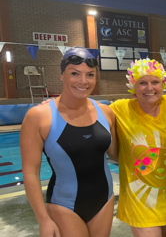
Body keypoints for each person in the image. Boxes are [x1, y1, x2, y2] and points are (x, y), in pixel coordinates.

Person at [20, 47, 117, 237]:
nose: (83, 81)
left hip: (104, 201)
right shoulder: (39, 116)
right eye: (75, 73)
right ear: (62, 74)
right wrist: (43, 219)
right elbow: (31, 172)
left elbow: (117, 155)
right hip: (64, 205)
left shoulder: (106, 112)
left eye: (90, 75)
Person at [110, 58, 166, 237]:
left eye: (155, 82)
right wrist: (53, 104)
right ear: (133, 86)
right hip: (139, 200)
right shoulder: (120, 109)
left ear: (163, 84)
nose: (149, 88)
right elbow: (89, 109)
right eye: (142, 83)